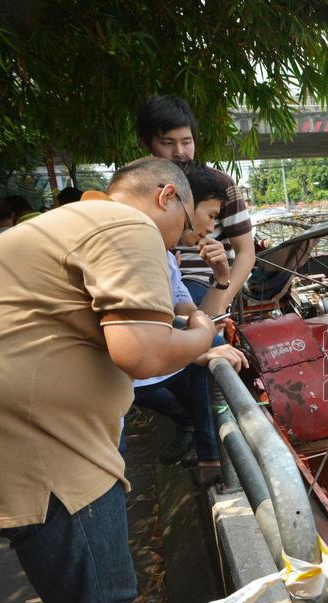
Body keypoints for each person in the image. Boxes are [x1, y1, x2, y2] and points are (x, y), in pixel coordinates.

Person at [0, 157, 217, 603]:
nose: (176, 243)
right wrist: (202, 336)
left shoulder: (60, 223)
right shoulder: (128, 224)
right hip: (52, 459)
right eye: (183, 226)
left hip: (28, 445)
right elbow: (140, 353)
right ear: (166, 196)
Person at [135, 161, 236, 468]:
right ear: (176, 200)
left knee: (213, 347)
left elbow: (190, 312)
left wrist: (221, 277)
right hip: (122, 378)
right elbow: (142, 339)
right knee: (211, 360)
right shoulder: (138, 247)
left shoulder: (164, 255)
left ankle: (208, 450)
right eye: (210, 216)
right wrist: (203, 348)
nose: (208, 229)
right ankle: (211, 454)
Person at [137, 95, 254, 310]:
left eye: (186, 142)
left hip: (202, 282)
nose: (179, 152)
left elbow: (246, 252)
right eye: (167, 143)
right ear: (147, 143)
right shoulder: (140, 188)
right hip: (157, 279)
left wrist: (222, 301)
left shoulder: (218, 185)